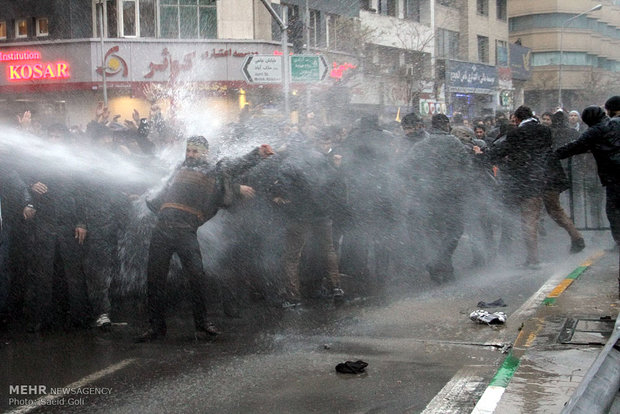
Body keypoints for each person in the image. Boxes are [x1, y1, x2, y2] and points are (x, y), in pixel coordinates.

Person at [136, 136, 273, 342]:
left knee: (197, 278)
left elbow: (235, 166)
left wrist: (257, 154)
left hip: (185, 232)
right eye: (188, 150)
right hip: (162, 230)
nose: (190, 154)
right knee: (154, 280)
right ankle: (156, 327)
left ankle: (202, 324)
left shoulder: (213, 170)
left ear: (204, 153)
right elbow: (159, 187)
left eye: (195, 151)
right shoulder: (177, 168)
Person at [481, 106, 553, 267]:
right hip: (538, 178)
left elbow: (502, 151)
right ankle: (531, 257)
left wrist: (483, 156)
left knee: (512, 218)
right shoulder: (545, 131)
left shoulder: (516, 133)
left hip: (518, 180)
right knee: (530, 219)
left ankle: (515, 256)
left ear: (518, 119)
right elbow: (547, 153)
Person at [556, 98, 620, 272]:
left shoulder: (597, 130)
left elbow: (576, 146)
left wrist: (554, 155)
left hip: (615, 175)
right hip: (614, 174)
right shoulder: (608, 126)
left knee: (613, 210)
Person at [544, 111, 585, 253]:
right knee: (561, 206)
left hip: (552, 173)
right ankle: (575, 226)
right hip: (563, 172)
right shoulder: (571, 132)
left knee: (555, 209)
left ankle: (576, 235)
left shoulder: (550, 133)